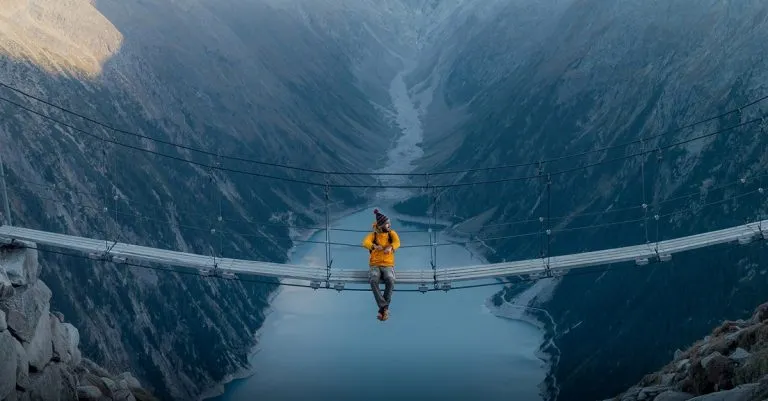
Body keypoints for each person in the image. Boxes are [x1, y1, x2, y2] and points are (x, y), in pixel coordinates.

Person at [361, 208, 400, 321]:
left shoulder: (392, 234)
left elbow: (397, 242)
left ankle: (382, 309)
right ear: (382, 225)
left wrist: (391, 247)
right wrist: (373, 246)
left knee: (390, 279)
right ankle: (384, 307)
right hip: (375, 264)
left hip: (388, 264)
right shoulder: (373, 235)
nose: (390, 224)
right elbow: (365, 242)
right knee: (373, 280)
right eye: (387, 223)